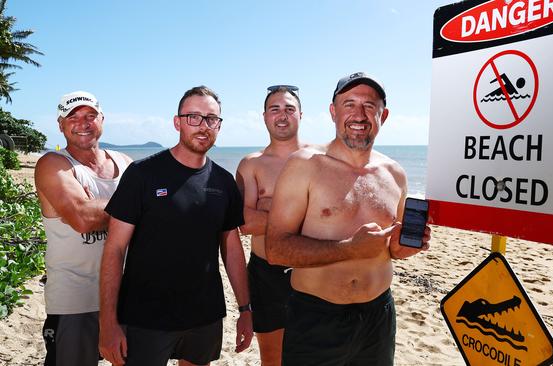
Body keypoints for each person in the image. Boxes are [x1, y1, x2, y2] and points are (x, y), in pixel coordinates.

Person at [265, 72, 431, 366]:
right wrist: (348, 249)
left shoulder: (395, 174)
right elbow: (276, 250)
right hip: (317, 318)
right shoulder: (305, 166)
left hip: (378, 318)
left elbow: (394, 250)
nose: (359, 114)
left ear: (384, 115)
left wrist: (406, 248)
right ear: (333, 112)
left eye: (369, 105)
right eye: (349, 104)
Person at [99, 86, 253, 366]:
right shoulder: (142, 174)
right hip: (144, 317)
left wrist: (245, 309)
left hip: (204, 316)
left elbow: (232, 249)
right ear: (177, 122)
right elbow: (115, 249)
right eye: (193, 116)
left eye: (211, 119)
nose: (203, 126)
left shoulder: (223, 182)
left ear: (219, 126)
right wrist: (108, 321)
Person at [34, 91, 132, 366]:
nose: (83, 123)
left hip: (127, 296)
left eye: (90, 116)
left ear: (102, 119)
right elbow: (82, 218)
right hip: (75, 300)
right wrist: (138, 202)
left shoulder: (125, 164)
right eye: (73, 117)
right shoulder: (53, 165)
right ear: (60, 125)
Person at [236, 85, 308, 365]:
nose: (282, 115)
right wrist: (302, 216)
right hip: (267, 275)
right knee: (273, 358)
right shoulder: (251, 164)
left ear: (300, 114)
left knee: (316, 353)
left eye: (289, 109)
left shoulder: (321, 158)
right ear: (264, 116)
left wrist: (268, 208)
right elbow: (244, 222)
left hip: (314, 270)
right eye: (274, 109)